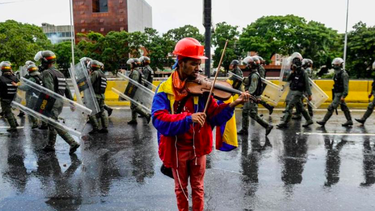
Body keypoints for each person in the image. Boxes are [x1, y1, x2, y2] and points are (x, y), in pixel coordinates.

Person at [152, 37, 250, 211]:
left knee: (198, 188)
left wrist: (233, 103)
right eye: (193, 64)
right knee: (181, 188)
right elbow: (158, 119)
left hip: (198, 148)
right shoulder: (165, 89)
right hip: (177, 149)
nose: (198, 69)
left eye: (199, 64)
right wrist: (188, 118)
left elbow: (213, 116)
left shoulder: (203, 90)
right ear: (180, 63)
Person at [35, 50, 80, 154]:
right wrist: (71, 102)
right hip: (59, 101)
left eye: (41, 61)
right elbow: (67, 89)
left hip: (51, 101)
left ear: (45, 61)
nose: (40, 63)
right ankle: (50, 145)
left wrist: (43, 102)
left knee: (53, 123)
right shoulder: (59, 73)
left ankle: (72, 142)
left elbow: (49, 90)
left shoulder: (47, 72)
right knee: (52, 123)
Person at [237, 56, 273, 136]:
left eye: (249, 65)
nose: (247, 66)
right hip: (251, 97)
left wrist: (246, 94)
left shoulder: (254, 75)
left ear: (252, 65)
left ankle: (267, 126)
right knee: (246, 112)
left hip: (251, 97)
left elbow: (253, 88)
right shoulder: (253, 74)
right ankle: (244, 129)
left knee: (252, 114)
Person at [277, 53, 313, 128]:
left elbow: (307, 84)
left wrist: (309, 95)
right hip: (293, 91)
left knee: (289, 106)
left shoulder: (303, 72)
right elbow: (287, 80)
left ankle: (285, 122)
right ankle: (309, 120)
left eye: (293, 64)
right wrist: (292, 72)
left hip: (298, 92)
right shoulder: (294, 72)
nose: (292, 65)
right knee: (301, 108)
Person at [317, 58, 352, 127]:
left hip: (340, 94)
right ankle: (349, 120)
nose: (335, 65)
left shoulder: (344, 74)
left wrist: (343, 96)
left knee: (331, 107)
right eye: (335, 63)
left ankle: (324, 121)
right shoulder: (336, 73)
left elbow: (346, 87)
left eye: (337, 63)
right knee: (344, 107)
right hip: (336, 93)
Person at [126, 58, 151, 125]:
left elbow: (133, 83)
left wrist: (129, 91)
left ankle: (147, 115)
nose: (130, 65)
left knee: (134, 106)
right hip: (138, 90)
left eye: (131, 64)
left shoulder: (135, 72)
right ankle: (134, 119)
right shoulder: (138, 70)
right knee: (133, 104)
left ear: (134, 64)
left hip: (136, 90)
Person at [88, 60, 109, 134]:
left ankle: (95, 128)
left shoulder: (95, 73)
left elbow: (89, 83)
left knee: (91, 112)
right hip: (102, 95)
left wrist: (89, 75)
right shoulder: (102, 74)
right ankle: (105, 127)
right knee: (102, 111)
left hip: (95, 95)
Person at [0, 61, 19, 132]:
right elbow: (19, 86)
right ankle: (15, 123)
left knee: (7, 112)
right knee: (10, 111)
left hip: (5, 99)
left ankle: (13, 127)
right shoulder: (15, 77)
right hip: (14, 98)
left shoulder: (1, 78)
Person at [23, 64, 43, 129]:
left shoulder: (32, 78)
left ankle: (34, 123)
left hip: (34, 96)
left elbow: (26, 87)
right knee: (42, 110)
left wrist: (18, 86)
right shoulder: (41, 76)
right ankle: (44, 124)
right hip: (41, 96)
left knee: (29, 109)